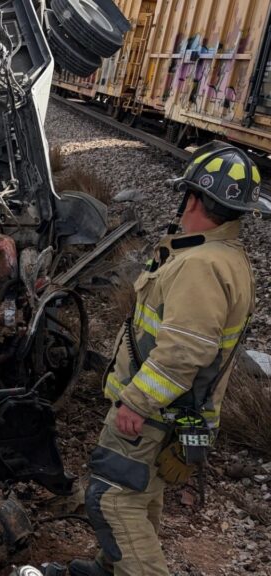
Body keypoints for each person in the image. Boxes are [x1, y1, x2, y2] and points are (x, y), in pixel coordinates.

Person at [70, 142, 259, 576]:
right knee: (139, 494)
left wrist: (137, 402)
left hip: (155, 412)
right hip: (175, 412)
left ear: (192, 197)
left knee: (111, 498)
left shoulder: (200, 265)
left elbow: (184, 350)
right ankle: (110, 569)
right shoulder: (223, 257)